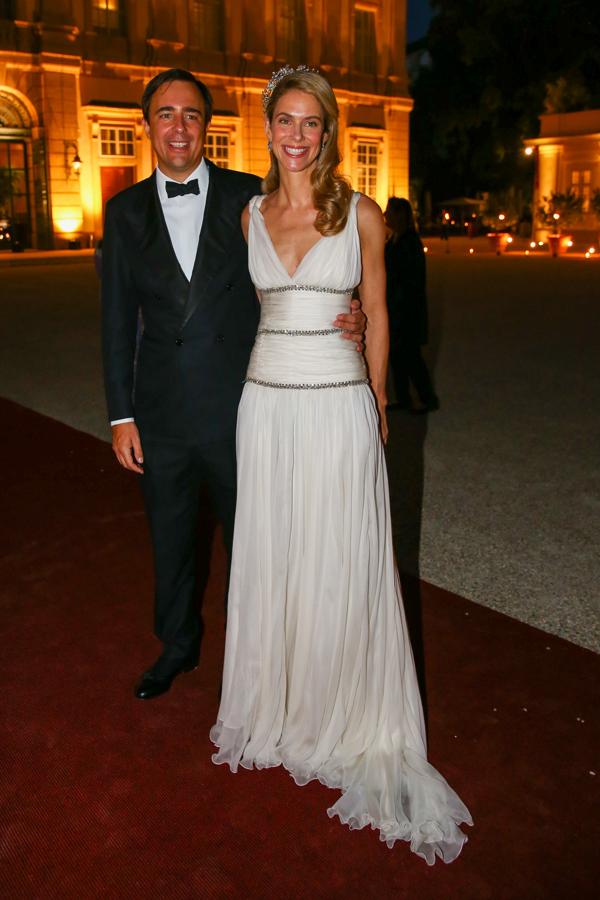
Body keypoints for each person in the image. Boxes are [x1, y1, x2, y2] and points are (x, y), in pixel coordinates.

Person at [210, 66, 472, 864]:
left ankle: (350, 714)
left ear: (327, 132)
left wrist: (379, 399)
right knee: (279, 558)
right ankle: (282, 704)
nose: (297, 134)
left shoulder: (361, 214)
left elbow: (383, 313)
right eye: (284, 121)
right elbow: (264, 307)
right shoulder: (250, 214)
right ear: (269, 128)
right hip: (266, 405)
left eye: (311, 122)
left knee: (340, 559)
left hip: (336, 401)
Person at [101, 68, 366, 701]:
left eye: (191, 114)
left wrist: (345, 315)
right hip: (162, 412)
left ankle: (268, 657)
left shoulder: (250, 199)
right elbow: (114, 319)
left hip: (242, 406)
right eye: (165, 114)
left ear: (207, 125)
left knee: (263, 544)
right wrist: (120, 415)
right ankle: (176, 646)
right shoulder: (123, 212)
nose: (179, 127)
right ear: (147, 125)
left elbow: (298, 273)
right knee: (171, 539)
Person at [384, 197, 439, 413]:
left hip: (406, 310)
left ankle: (428, 398)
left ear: (400, 215)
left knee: (411, 357)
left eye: (389, 211)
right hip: (394, 308)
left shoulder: (410, 242)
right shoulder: (393, 240)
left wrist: (398, 305)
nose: (385, 215)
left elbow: (411, 280)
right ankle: (403, 397)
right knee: (396, 356)